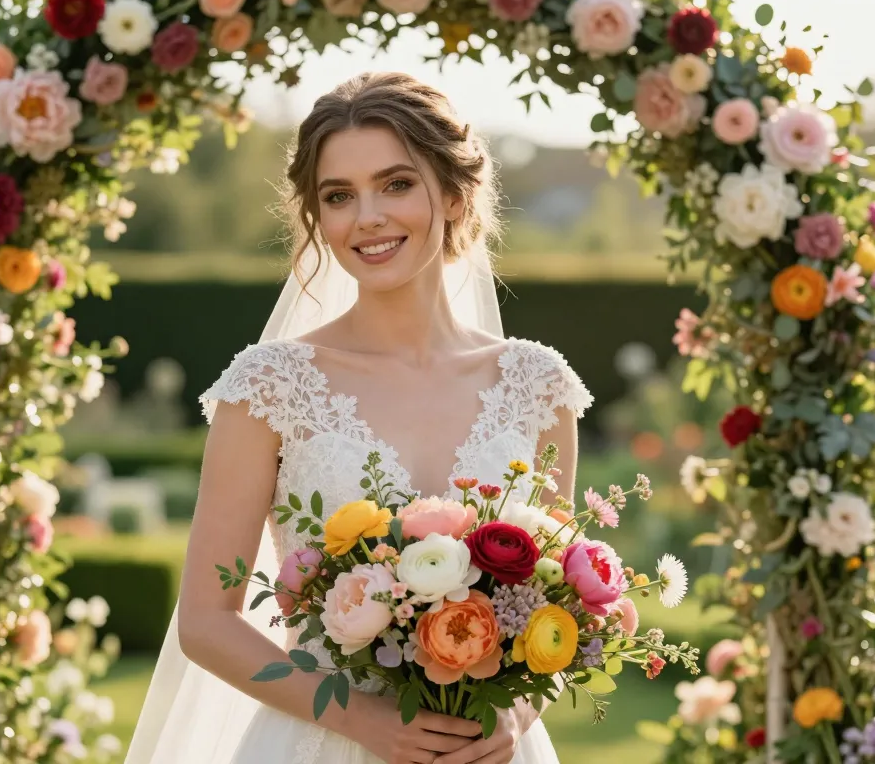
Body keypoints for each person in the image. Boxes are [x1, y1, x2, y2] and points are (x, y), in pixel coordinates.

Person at [124, 71, 593, 764]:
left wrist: (517, 712)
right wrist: (369, 722)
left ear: (456, 193)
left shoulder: (538, 385)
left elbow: (560, 608)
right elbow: (205, 623)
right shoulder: (268, 388)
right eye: (338, 196)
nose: (366, 217)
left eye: (396, 184)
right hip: (323, 743)